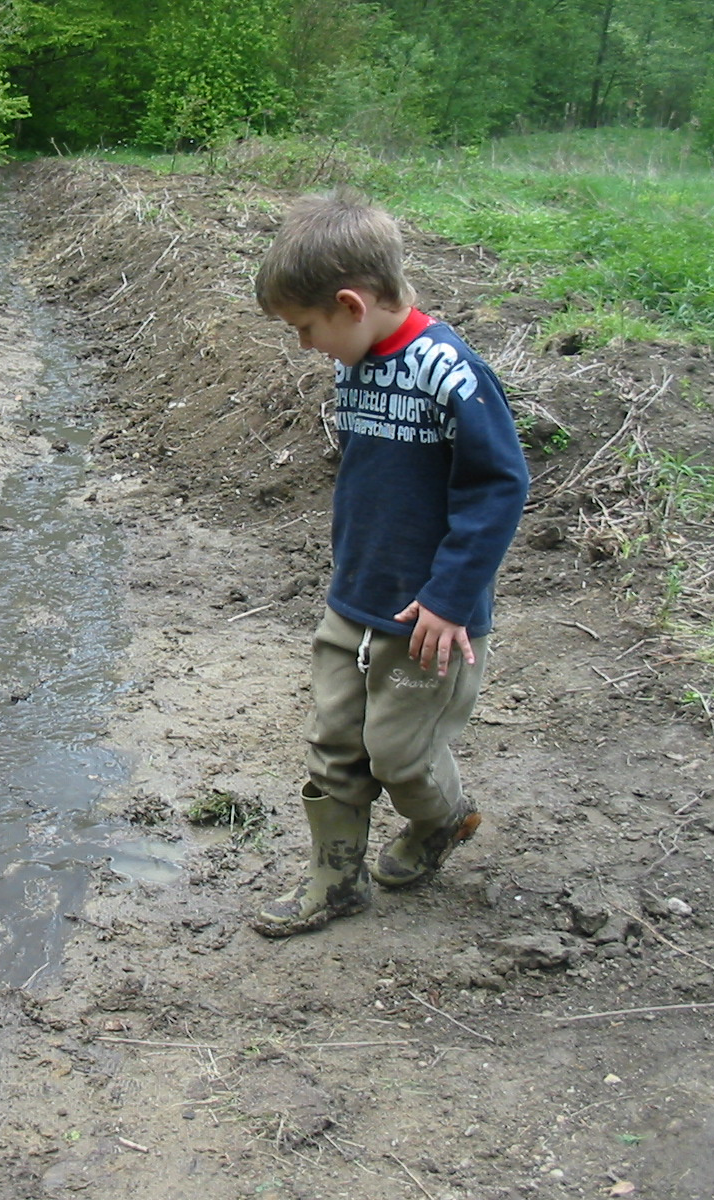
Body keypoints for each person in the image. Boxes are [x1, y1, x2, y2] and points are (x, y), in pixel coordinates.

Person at [246, 190, 529, 937]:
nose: (305, 345)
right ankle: (336, 881)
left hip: (431, 620)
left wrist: (451, 596)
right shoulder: (359, 363)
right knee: (334, 742)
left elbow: (500, 485)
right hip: (355, 599)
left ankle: (443, 819)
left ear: (350, 303)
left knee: (400, 756)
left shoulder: (450, 374)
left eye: (306, 329)